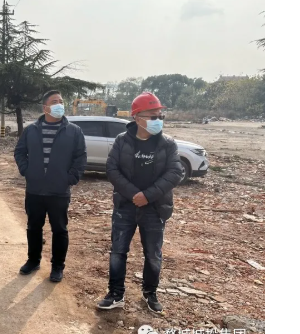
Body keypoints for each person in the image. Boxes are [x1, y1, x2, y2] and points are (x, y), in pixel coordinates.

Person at [97, 93, 183, 313]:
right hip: (125, 207)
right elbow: (112, 169)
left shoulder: (168, 144)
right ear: (137, 117)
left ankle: (149, 293)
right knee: (118, 251)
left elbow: (175, 172)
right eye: (152, 116)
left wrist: (147, 196)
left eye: (160, 116)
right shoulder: (122, 141)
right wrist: (134, 194)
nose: (158, 120)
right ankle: (116, 294)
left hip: (155, 209)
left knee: (153, 255)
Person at [13, 90, 86, 283]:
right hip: (35, 190)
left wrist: (70, 178)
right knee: (33, 227)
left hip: (59, 191)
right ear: (45, 107)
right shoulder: (31, 130)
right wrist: (27, 171)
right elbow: (20, 152)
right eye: (54, 101)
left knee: (60, 229)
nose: (59, 104)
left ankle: (57, 266)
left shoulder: (74, 131)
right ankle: (33, 260)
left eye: (61, 101)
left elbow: (80, 157)